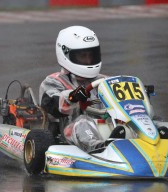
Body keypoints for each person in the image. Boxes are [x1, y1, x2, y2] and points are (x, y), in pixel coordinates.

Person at [39, 25, 125, 153]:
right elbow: (51, 104)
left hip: (108, 126)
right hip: (71, 130)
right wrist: (72, 96)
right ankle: (97, 148)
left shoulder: (105, 80)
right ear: (66, 54)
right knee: (82, 122)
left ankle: (158, 140)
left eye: (92, 55)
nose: (89, 60)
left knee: (154, 121)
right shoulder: (53, 81)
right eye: (83, 56)